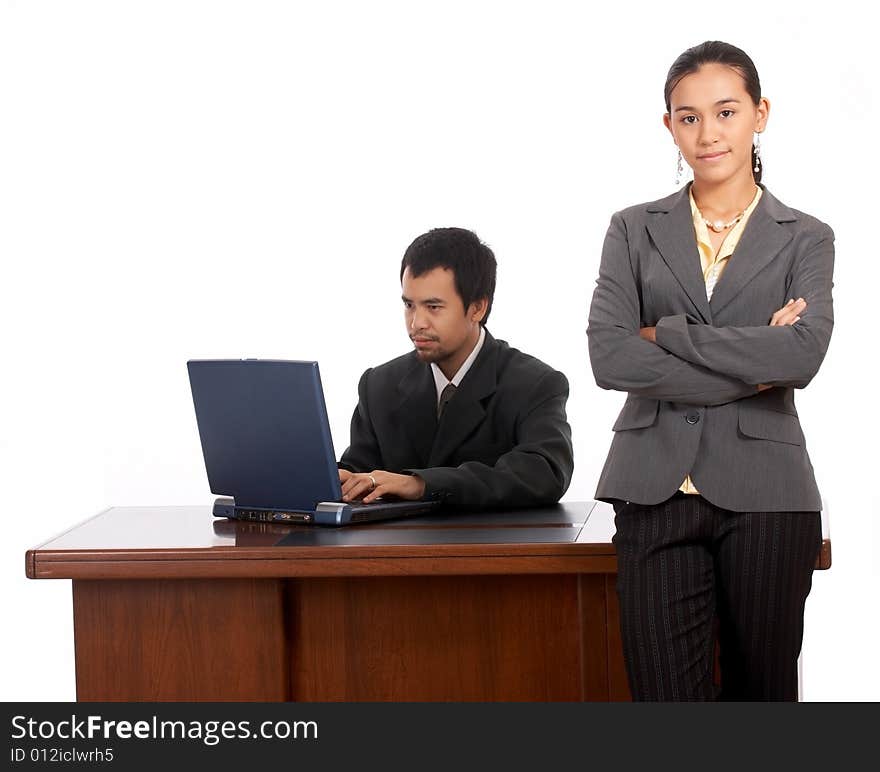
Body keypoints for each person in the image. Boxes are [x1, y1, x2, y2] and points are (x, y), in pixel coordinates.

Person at [587, 41, 834, 701]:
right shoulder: (633, 229)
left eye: (725, 111)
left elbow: (801, 354)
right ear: (669, 125)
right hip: (653, 488)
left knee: (762, 696)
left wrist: (667, 335)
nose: (707, 132)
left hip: (768, 495)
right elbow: (608, 354)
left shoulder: (805, 237)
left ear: (760, 114)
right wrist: (751, 364)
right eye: (688, 116)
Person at [338, 226, 574, 511]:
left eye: (433, 307)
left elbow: (544, 473)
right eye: (409, 305)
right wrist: (338, 479)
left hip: (493, 551)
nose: (416, 323)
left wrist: (420, 484)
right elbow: (361, 469)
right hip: (396, 552)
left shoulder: (535, 384)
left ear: (477, 308)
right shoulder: (379, 385)